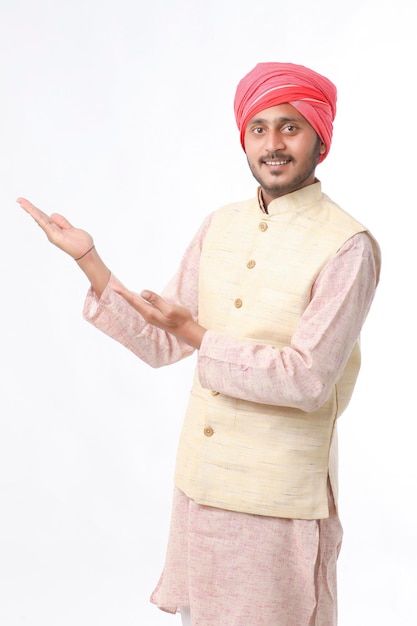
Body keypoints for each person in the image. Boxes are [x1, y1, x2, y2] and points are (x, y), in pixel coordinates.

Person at [18, 61, 381, 626]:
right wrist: (91, 261)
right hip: (201, 486)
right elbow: (163, 341)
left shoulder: (347, 246)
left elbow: (307, 379)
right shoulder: (221, 224)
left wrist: (198, 335)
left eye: (291, 126)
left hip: (278, 499)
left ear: (320, 138)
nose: (273, 144)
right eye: (258, 129)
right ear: (244, 139)